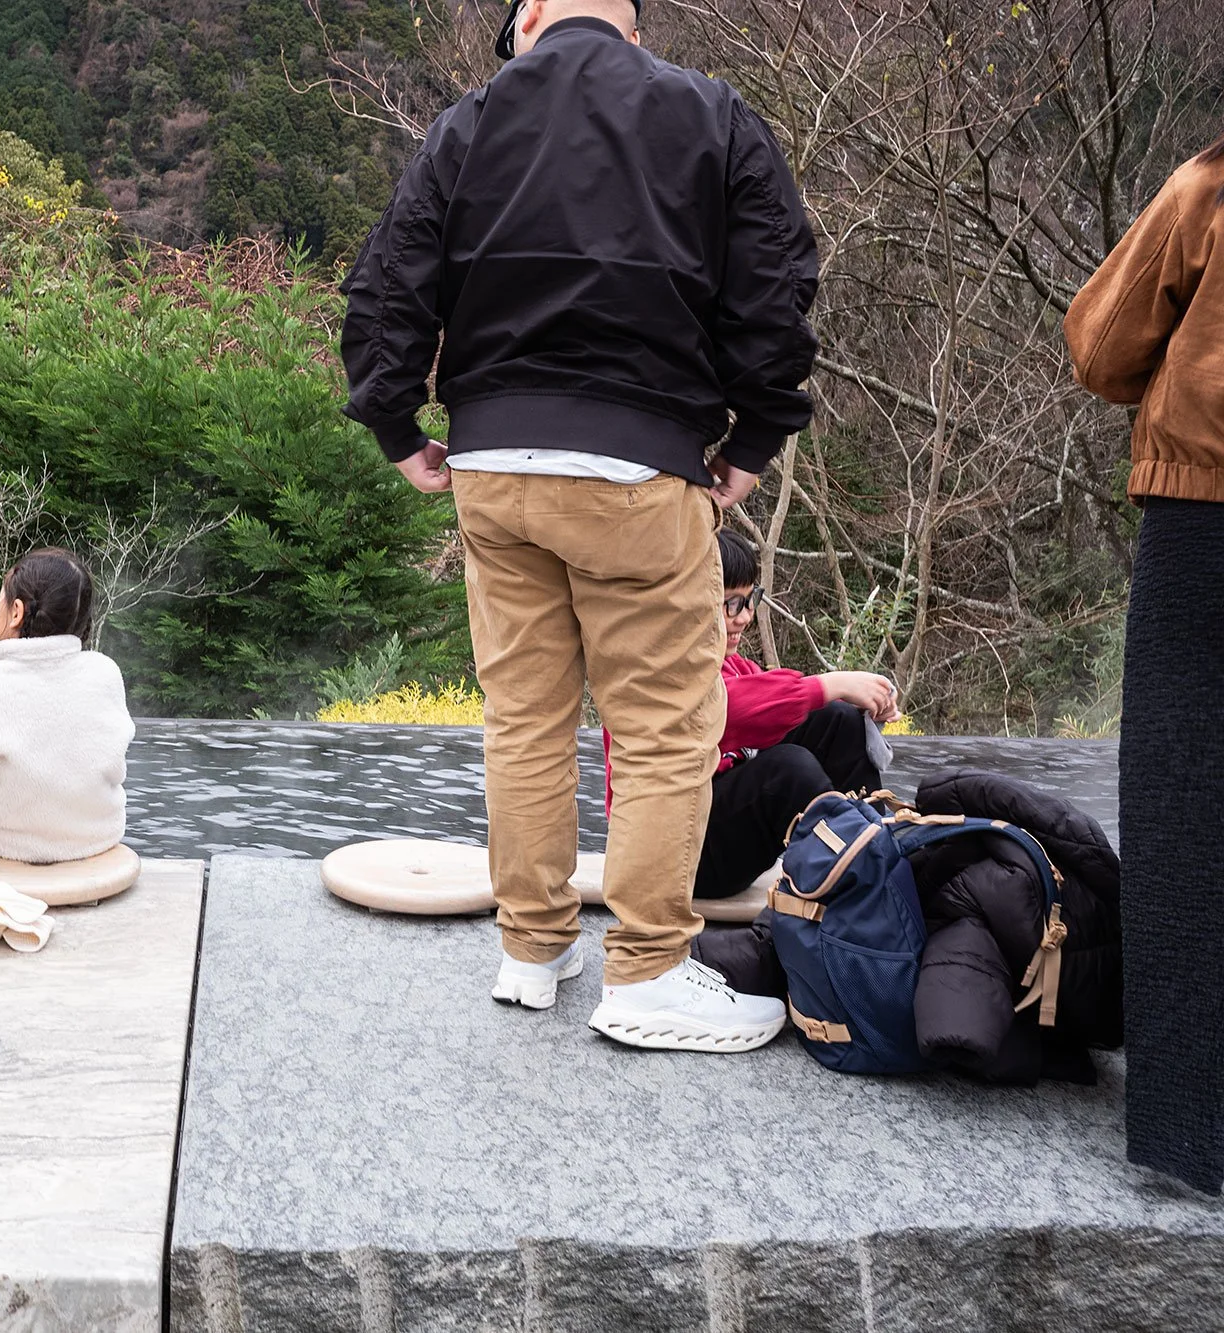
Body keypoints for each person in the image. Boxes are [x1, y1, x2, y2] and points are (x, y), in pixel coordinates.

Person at [341, 0, 820, 1049]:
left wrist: (395, 423)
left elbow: (389, 277)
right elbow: (774, 289)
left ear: (527, 23)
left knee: (524, 718)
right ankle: (646, 969)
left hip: (493, 463)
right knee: (657, 729)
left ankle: (529, 948)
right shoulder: (713, 116)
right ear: (632, 31)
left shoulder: (467, 122)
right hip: (639, 463)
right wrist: (752, 436)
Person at [1065, 132, 1224, 1194]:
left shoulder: (1209, 183)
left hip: (1204, 516)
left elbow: (1099, 347)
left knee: (1183, 807)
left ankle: (1186, 1128)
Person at [607, 530, 898, 900]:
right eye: (730, 603)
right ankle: (855, 877)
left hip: (710, 836)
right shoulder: (653, 671)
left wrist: (855, 699)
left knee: (836, 720)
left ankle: (882, 850)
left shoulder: (732, 665)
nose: (744, 616)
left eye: (749, 601)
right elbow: (727, 708)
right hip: (671, 859)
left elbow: (769, 702)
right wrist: (828, 683)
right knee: (788, 770)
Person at [0, 549, 135, 864]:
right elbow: (113, 767)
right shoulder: (105, 673)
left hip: (8, 848)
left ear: (17, 612)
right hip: (97, 842)